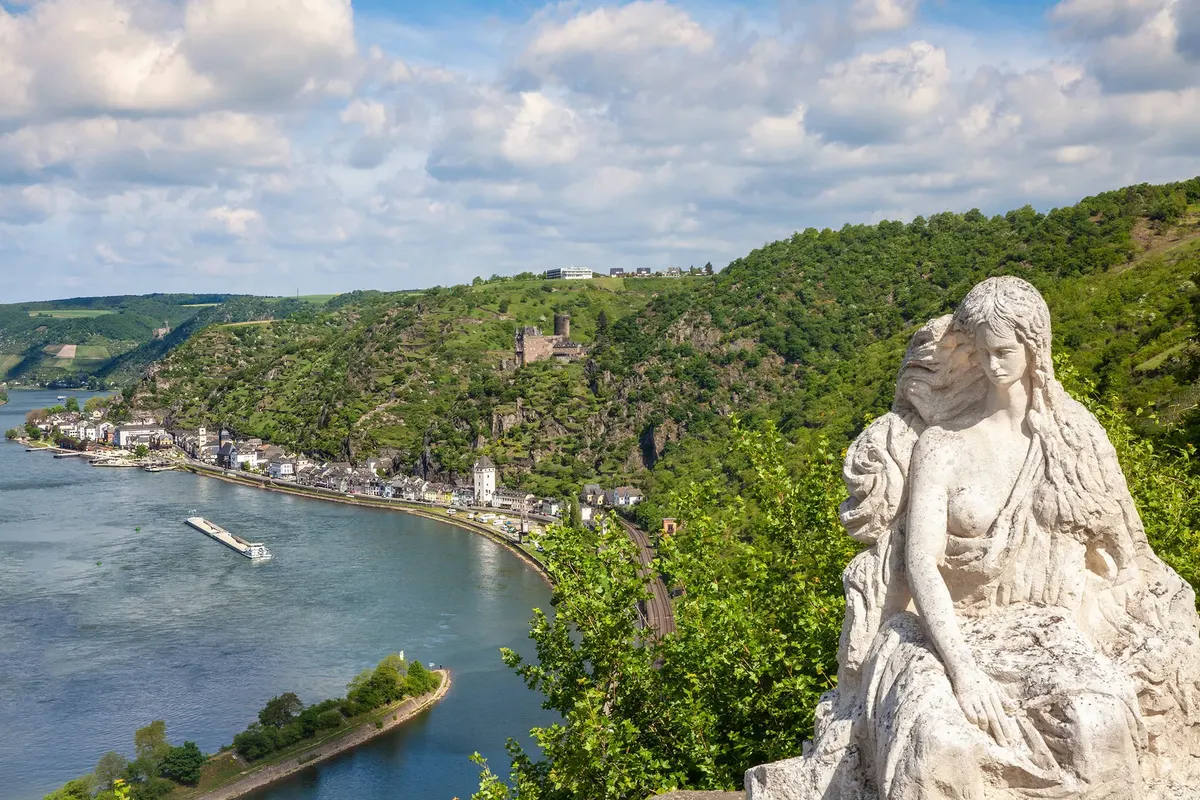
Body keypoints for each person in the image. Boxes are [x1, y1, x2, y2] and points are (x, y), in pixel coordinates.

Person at [762, 277, 1200, 800]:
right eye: (981, 352)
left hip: (1045, 632)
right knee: (939, 741)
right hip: (943, 636)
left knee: (1097, 722)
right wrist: (964, 672)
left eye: (1005, 351)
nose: (993, 365)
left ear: (1035, 348)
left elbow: (1125, 552)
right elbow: (920, 562)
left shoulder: (1075, 439)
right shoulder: (942, 446)